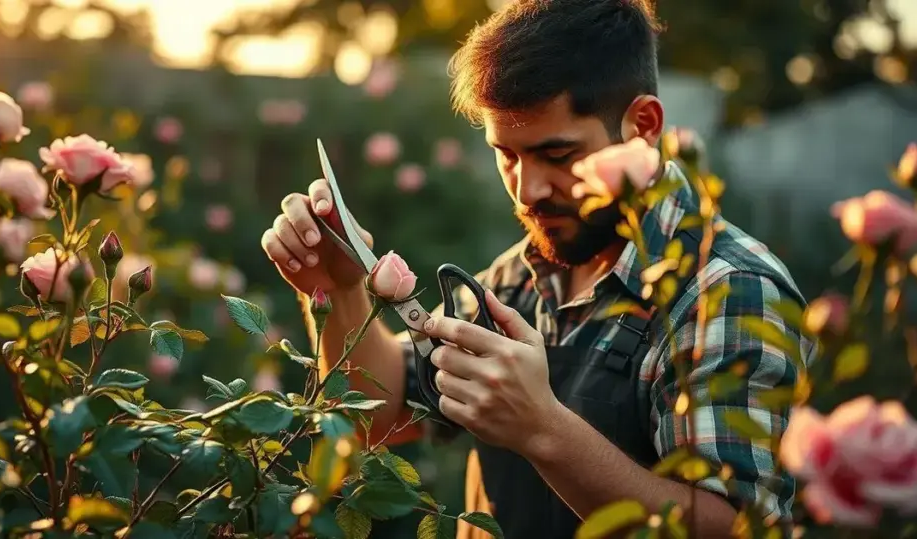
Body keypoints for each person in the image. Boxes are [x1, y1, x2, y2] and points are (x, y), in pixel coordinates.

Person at [261, 0, 814, 537]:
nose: (528, 191)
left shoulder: (728, 290)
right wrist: (341, 289)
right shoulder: (516, 277)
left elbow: (737, 527)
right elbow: (375, 418)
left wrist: (542, 429)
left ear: (642, 125)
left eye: (557, 154)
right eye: (507, 155)